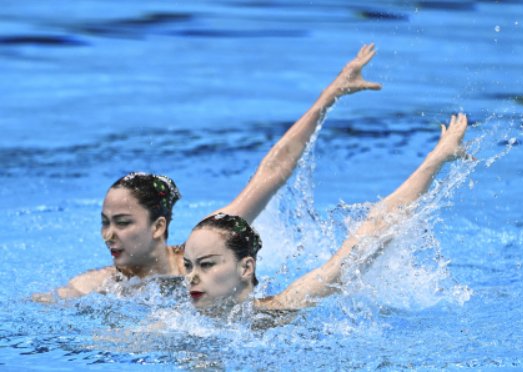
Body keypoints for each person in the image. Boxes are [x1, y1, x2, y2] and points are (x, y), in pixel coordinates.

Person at [32, 44, 382, 302]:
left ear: (158, 227)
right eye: (105, 222)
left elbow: (271, 174)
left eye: (122, 223)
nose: (109, 235)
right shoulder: (104, 285)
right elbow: (51, 301)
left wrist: (327, 97)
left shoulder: (209, 245)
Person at [183, 114, 471, 313]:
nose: (191, 278)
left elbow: (372, 232)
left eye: (206, 265)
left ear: (245, 268)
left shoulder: (279, 311)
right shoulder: (170, 324)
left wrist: (436, 159)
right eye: (187, 266)